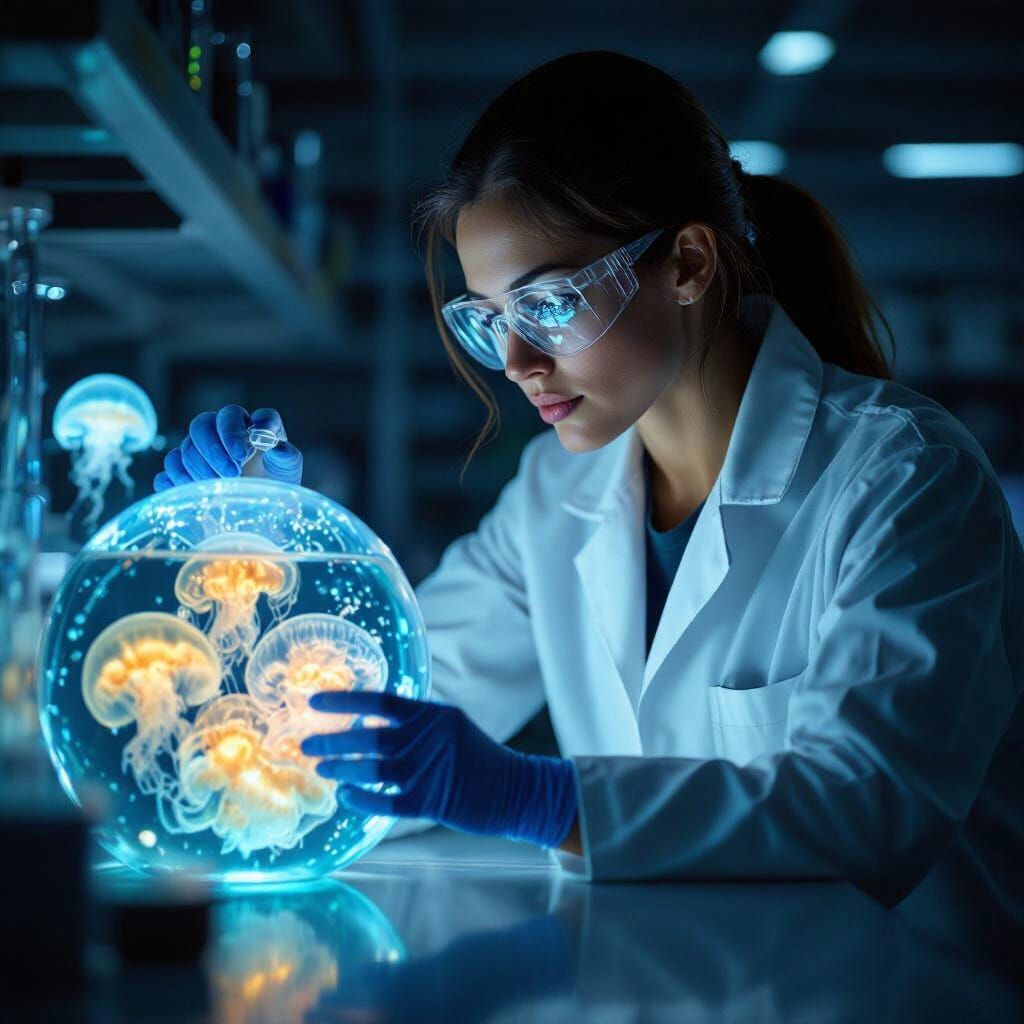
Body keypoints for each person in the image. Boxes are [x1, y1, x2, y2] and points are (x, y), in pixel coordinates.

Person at [155, 51, 1023, 929]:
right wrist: (266, 558)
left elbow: (864, 809)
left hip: (901, 980)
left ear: (688, 264)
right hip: (664, 971)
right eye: (490, 319)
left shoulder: (905, 479)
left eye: (551, 303)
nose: (516, 362)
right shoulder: (555, 493)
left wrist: (539, 799)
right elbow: (379, 726)